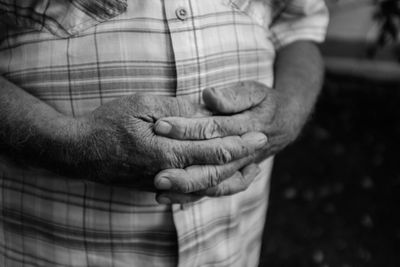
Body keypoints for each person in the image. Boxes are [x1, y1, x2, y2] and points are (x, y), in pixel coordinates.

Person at [0, 0, 328, 266]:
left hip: (231, 245)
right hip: (47, 245)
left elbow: (298, 27)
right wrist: (67, 142)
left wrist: (287, 112)